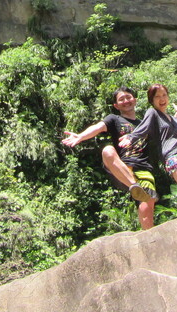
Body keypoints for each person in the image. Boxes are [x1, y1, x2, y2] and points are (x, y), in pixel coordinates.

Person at [62, 87, 158, 230]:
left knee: (147, 205)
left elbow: (165, 131)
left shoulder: (144, 123)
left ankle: (149, 235)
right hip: (122, 168)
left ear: (135, 100)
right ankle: (134, 185)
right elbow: (98, 127)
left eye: (128, 97)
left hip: (143, 168)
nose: (126, 101)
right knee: (107, 150)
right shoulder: (114, 119)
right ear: (116, 105)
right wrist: (81, 136)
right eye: (121, 99)